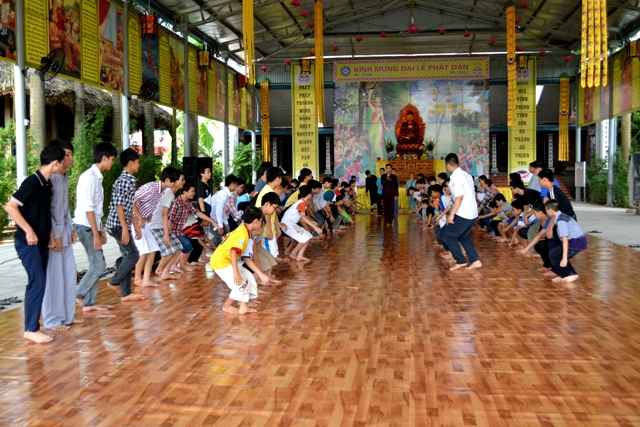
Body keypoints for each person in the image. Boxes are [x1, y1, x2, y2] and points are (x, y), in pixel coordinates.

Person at [4, 144, 65, 343]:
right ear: (55, 163)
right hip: (27, 242)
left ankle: (32, 327)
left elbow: (43, 212)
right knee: (37, 282)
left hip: (41, 241)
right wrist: (28, 230)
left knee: (40, 282)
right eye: (62, 162)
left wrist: (49, 232)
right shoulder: (32, 182)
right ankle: (31, 329)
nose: (64, 166)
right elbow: (11, 207)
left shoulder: (47, 184)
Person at [41, 139, 81, 331]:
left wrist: (70, 228)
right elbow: (46, 210)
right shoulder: (50, 179)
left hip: (64, 232)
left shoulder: (64, 177)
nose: (70, 158)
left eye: (72, 154)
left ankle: (67, 316)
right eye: (67, 154)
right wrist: (56, 235)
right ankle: (52, 320)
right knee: (54, 279)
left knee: (69, 275)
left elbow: (64, 208)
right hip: (52, 237)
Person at [74, 142, 117, 312]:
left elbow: (96, 209)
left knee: (96, 264)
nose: (113, 163)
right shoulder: (90, 177)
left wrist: (100, 230)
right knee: (99, 265)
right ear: (104, 158)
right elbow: (88, 208)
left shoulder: (96, 177)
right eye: (112, 159)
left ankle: (89, 304)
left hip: (90, 226)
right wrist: (96, 233)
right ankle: (80, 294)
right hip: (85, 226)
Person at [105, 148, 146, 303]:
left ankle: (126, 293)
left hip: (122, 224)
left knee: (128, 257)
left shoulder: (130, 180)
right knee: (133, 255)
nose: (139, 165)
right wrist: (124, 228)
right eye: (137, 162)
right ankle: (114, 281)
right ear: (130, 163)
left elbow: (128, 206)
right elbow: (119, 206)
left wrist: (134, 226)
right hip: (117, 225)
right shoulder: (123, 181)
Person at [211, 207, 268, 315]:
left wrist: (260, 273)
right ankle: (227, 306)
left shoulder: (244, 231)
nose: (262, 224)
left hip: (227, 261)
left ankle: (243, 307)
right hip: (221, 263)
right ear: (256, 221)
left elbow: (246, 258)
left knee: (249, 277)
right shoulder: (243, 233)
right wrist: (236, 273)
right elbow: (233, 251)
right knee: (240, 284)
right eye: (261, 221)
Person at [133, 166, 180, 285]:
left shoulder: (162, 191)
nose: (175, 184)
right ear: (168, 180)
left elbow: (149, 204)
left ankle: (146, 280)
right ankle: (138, 278)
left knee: (153, 249)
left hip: (145, 221)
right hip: (135, 221)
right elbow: (131, 201)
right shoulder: (150, 188)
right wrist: (139, 217)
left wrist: (148, 214)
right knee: (144, 250)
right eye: (174, 181)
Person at [442, 153, 481, 271]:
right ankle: (475, 261)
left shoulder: (456, 178)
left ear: (448, 165)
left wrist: (452, 214)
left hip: (464, 212)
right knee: (464, 236)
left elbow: (459, 197)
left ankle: (460, 260)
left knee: (449, 235)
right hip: (472, 212)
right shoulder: (466, 174)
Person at [168, 180, 218, 272]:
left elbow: (197, 212)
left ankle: (176, 265)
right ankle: (178, 265)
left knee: (185, 246)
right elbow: (170, 219)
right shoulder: (176, 203)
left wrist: (211, 221)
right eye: (192, 191)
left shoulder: (187, 203)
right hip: (173, 230)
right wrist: (169, 233)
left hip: (180, 230)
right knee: (187, 245)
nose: (194, 193)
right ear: (185, 192)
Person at [544, 199, 587, 285]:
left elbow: (565, 239)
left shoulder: (561, 221)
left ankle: (570, 274)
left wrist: (564, 258)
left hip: (576, 242)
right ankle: (564, 274)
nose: (546, 212)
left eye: (546, 209)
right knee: (555, 252)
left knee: (555, 254)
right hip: (576, 241)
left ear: (550, 210)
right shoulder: (560, 216)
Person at [281, 185, 323, 261]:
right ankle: (293, 253)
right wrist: (315, 228)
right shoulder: (302, 203)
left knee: (308, 236)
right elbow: (303, 217)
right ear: (309, 194)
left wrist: (312, 223)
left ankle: (299, 255)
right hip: (288, 225)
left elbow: (301, 219)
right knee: (304, 238)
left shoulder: (301, 202)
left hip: (292, 224)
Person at [210, 174, 239, 246]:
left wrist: (226, 223)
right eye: (236, 185)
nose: (236, 187)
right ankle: (211, 247)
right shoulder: (224, 194)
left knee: (227, 231)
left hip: (216, 217)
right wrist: (220, 226)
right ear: (231, 184)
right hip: (212, 217)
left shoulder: (225, 193)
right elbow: (219, 211)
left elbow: (222, 211)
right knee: (220, 235)